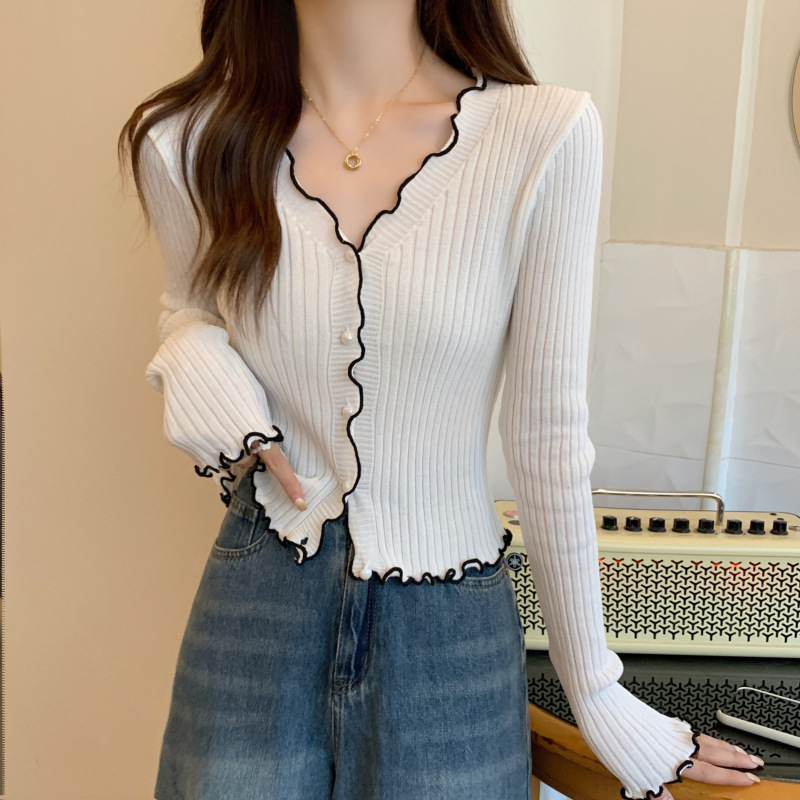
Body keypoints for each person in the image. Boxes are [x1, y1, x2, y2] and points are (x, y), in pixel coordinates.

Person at [118, 1, 765, 798]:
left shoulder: (542, 135)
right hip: (260, 597)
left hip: (450, 626)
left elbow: (547, 437)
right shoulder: (184, 141)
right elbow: (187, 307)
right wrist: (192, 357)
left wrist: (597, 693)